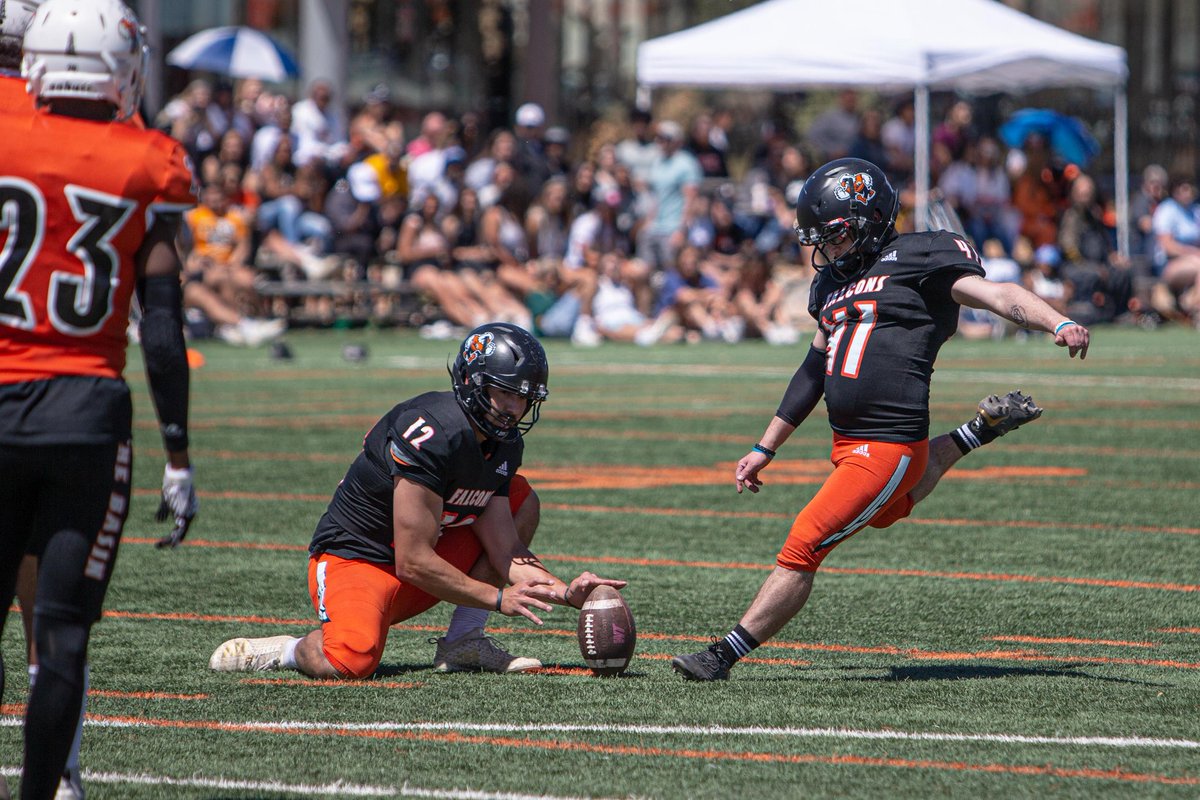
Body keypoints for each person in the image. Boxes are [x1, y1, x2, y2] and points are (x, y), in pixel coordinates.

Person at [671, 158, 1089, 681]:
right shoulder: (828, 287)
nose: (827, 249)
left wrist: (1059, 320)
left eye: (836, 235)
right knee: (892, 508)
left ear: (869, 221)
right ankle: (974, 432)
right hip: (850, 445)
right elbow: (812, 371)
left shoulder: (920, 256)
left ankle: (722, 654)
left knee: (806, 540)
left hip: (887, 445)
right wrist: (765, 446)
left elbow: (997, 294)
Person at [0, 2, 199, 798]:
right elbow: (160, 328)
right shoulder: (148, 159)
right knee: (62, 637)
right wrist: (178, 450)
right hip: (84, 416)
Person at [209, 323, 625, 679]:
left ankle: (464, 640)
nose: (515, 409)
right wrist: (498, 599)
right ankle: (288, 649)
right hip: (358, 558)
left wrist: (567, 592)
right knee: (351, 660)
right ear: (474, 382)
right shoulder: (430, 431)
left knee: (520, 499)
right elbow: (413, 559)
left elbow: (507, 550)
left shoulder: (503, 442)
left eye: (524, 397)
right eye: (506, 393)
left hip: (418, 565)